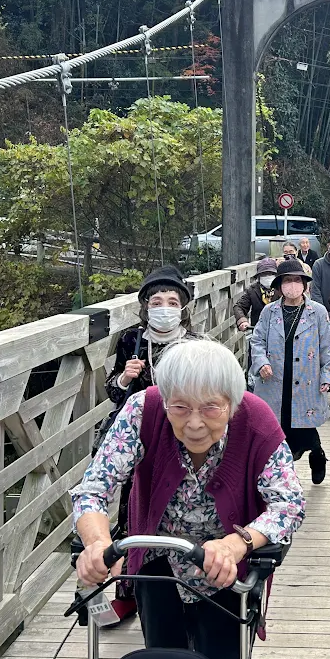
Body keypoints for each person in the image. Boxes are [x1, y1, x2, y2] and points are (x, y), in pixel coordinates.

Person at [73, 340, 306, 659]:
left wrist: (236, 544)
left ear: (232, 402)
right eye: (180, 407)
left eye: (211, 408)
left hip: (226, 571)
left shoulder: (257, 420)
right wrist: (98, 543)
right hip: (158, 560)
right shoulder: (144, 410)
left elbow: (289, 504)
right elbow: (94, 488)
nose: (194, 423)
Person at [102, 265, 202, 620]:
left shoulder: (197, 344)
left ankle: (189, 588)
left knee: (184, 510)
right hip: (137, 438)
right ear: (145, 305)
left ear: (183, 307)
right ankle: (128, 589)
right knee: (132, 510)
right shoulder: (131, 339)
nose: (164, 308)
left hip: (184, 437)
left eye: (172, 302)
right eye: (156, 301)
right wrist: (123, 378)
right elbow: (112, 392)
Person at [250, 259, 330, 484]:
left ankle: (317, 454)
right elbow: (257, 340)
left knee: (305, 427)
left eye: (297, 280)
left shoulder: (317, 312)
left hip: (306, 378)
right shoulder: (269, 311)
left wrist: (327, 375)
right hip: (275, 377)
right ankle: (282, 473)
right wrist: (261, 362)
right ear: (280, 285)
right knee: (277, 427)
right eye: (287, 280)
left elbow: (327, 346)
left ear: (304, 284)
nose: (292, 285)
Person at [233, 258, 278, 332]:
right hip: (258, 331)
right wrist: (242, 321)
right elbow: (239, 306)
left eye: (271, 274)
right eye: (264, 274)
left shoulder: (281, 289)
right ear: (258, 277)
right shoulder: (252, 290)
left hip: (279, 331)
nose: (267, 277)